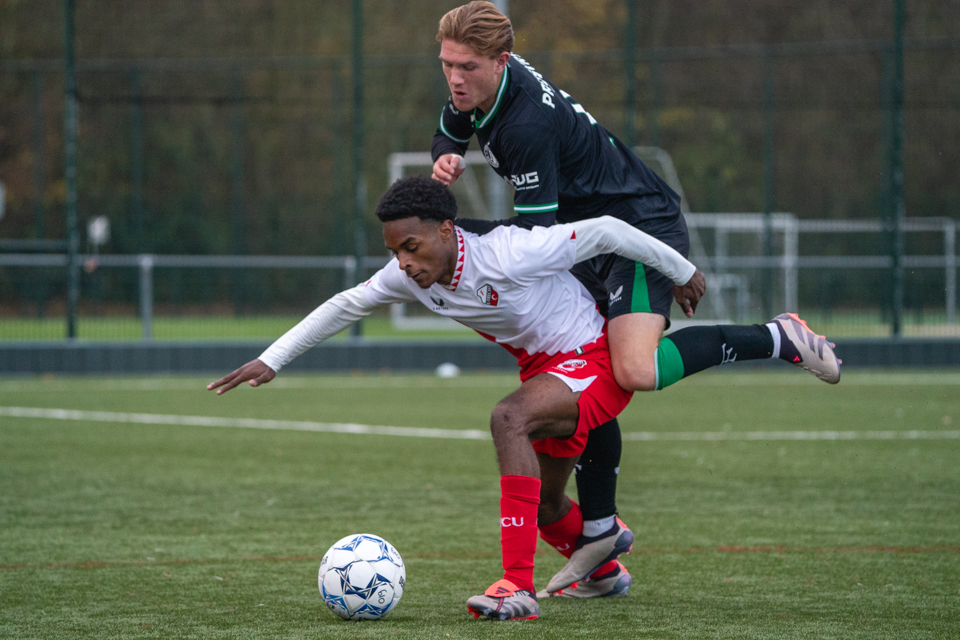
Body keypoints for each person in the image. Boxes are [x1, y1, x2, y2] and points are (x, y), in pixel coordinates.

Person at [430, 0, 841, 596]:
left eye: (466, 66)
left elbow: (537, 236)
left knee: (633, 367)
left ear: (502, 60)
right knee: (588, 358)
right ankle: (598, 529)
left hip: (636, 232)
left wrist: (458, 240)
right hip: (589, 241)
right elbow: (450, 121)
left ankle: (778, 337)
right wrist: (446, 150)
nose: (454, 78)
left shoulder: (525, 126)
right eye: (446, 64)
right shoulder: (478, 89)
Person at [208, 175, 706, 620]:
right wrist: (272, 359)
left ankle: (518, 586)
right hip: (547, 369)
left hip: (594, 354)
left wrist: (683, 271)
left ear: (446, 230)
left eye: (411, 246)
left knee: (508, 417)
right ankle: (605, 571)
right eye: (395, 252)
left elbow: (607, 231)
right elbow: (347, 303)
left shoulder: (509, 251)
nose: (404, 262)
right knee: (544, 503)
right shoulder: (409, 275)